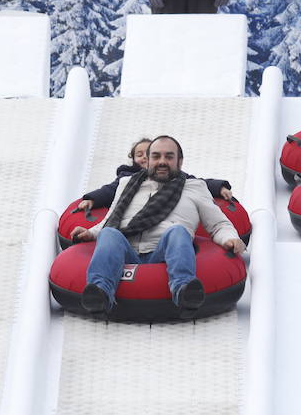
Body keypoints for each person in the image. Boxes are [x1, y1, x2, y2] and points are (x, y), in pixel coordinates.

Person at [73, 136, 245, 318]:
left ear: (179, 161)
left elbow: (218, 224)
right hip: (127, 252)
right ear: (148, 160)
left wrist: (230, 239)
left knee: (177, 231)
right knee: (109, 233)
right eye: (156, 156)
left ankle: (184, 291)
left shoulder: (195, 187)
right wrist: (91, 233)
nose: (162, 161)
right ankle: (100, 294)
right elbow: (110, 219)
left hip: (165, 252)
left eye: (169, 157)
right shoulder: (127, 184)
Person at [76, 137, 232, 211]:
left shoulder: (168, 173)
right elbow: (110, 189)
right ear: (133, 159)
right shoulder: (126, 177)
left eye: (148, 153)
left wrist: (219, 188)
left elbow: (195, 182)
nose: (144, 157)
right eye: (139, 154)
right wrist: (92, 199)